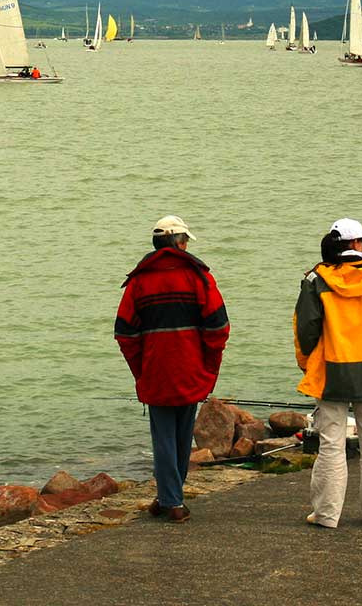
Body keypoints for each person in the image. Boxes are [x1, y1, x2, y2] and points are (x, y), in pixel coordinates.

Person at [115, 215, 230, 523]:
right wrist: (209, 366)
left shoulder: (139, 281)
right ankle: (171, 498)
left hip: (156, 369)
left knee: (164, 437)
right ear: (180, 244)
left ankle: (170, 499)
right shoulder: (199, 277)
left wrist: (140, 368)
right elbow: (218, 327)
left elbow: (125, 333)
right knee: (181, 436)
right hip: (192, 367)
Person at [295, 218, 362, 527]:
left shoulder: (316, 281)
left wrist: (307, 364)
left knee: (331, 443)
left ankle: (327, 514)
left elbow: (307, 330)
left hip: (332, 369)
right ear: (355, 245)